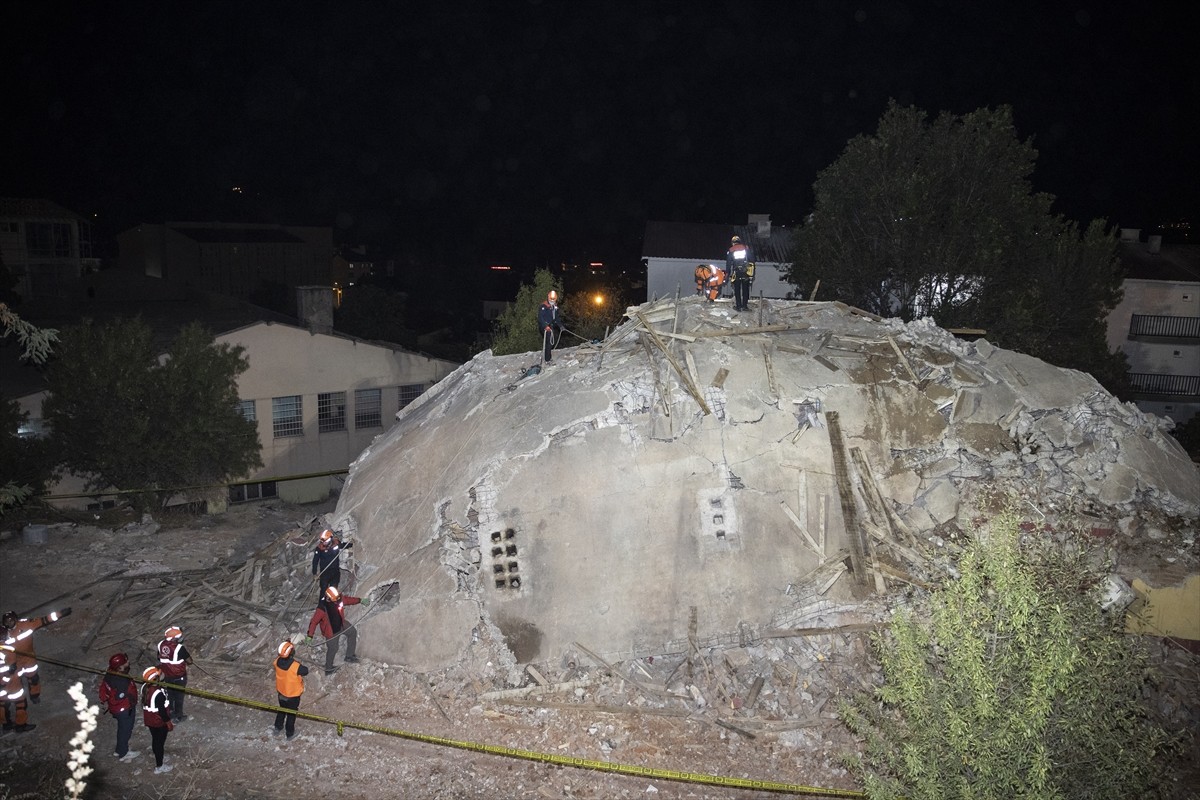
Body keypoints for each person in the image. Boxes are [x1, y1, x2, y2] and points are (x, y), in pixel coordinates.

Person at [2, 606, 72, 706]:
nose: (9, 623)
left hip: (28, 658)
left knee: (33, 678)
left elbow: (44, 620)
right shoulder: (3, 634)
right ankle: (16, 703)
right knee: (13, 682)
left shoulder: (26, 625)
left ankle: (34, 695)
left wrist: (60, 614)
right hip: (13, 661)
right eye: (6, 622)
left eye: (10, 620)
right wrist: (9, 665)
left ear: (15, 619)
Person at [306, 586, 369, 676]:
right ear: (328, 598)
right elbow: (314, 622)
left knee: (352, 632)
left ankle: (349, 656)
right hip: (330, 632)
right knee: (333, 648)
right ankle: (328, 669)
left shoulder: (338, 599)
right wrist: (310, 635)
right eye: (334, 600)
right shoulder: (322, 608)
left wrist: (360, 600)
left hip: (341, 624)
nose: (336, 601)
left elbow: (348, 600)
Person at [99, 652, 140, 762]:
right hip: (124, 709)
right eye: (125, 662)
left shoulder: (110, 672)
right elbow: (119, 696)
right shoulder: (121, 681)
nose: (128, 662)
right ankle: (124, 753)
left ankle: (119, 749)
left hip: (117, 708)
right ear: (120, 667)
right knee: (125, 729)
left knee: (122, 729)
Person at [272, 640, 309, 740]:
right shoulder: (295, 666)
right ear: (291, 652)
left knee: (282, 709)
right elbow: (306, 671)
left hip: (281, 692)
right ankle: (290, 734)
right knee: (291, 714)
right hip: (292, 695)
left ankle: (277, 727)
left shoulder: (276, 662)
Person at [140, 666, 174, 774]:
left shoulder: (145, 687)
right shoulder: (158, 694)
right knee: (160, 742)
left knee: (155, 739)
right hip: (158, 721)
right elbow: (162, 711)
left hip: (150, 720)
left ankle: (158, 754)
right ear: (155, 678)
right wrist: (168, 723)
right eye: (159, 675)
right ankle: (159, 765)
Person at [156, 625, 191, 723]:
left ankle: (170, 712)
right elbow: (190, 661)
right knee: (179, 697)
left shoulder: (160, 644)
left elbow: (159, 658)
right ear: (176, 638)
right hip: (179, 676)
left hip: (167, 675)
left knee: (170, 695)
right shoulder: (179, 648)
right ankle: (178, 716)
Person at [1, 642, 34, 734]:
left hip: (3, 685)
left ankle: (6, 725)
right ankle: (20, 725)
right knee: (20, 704)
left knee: (2, 705)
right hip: (12, 684)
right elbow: (11, 666)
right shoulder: (5, 650)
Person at [312, 528, 354, 594]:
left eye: (325, 541)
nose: (324, 543)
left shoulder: (336, 544)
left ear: (330, 539)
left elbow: (343, 545)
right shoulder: (319, 548)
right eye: (322, 541)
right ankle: (322, 603)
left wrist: (351, 544)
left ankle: (332, 603)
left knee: (333, 591)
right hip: (324, 572)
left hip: (335, 571)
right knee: (323, 589)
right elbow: (315, 561)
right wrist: (314, 573)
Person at [726, 235, 754, 311]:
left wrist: (727, 274)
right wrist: (752, 274)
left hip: (737, 272)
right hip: (746, 272)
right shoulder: (746, 247)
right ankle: (745, 306)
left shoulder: (731, 250)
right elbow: (751, 260)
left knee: (737, 290)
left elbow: (728, 264)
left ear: (733, 242)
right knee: (745, 290)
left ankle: (738, 306)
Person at [537, 290, 561, 363]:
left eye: (554, 299)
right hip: (544, 326)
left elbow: (556, 318)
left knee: (551, 342)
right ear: (548, 297)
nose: (552, 300)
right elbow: (540, 318)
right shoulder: (543, 306)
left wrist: (561, 326)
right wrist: (545, 326)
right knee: (549, 342)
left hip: (551, 326)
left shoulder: (555, 307)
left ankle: (548, 355)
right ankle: (547, 359)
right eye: (551, 299)